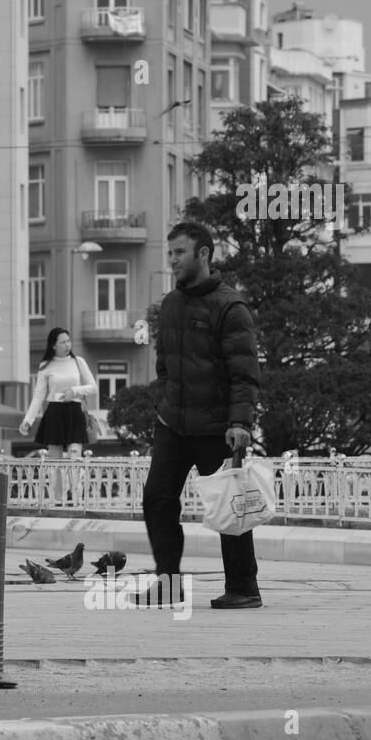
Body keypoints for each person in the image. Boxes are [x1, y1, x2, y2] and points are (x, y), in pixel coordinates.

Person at [138, 221, 262, 609]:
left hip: (217, 428)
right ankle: (168, 582)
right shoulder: (171, 306)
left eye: (180, 252)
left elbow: (244, 371)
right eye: (170, 252)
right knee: (157, 499)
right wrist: (162, 407)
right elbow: (164, 367)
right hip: (173, 424)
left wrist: (240, 423)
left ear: (203, 254)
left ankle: (244, 588)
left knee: (229, 506)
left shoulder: (230, 306)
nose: (172, 260)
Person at [20, 327, 98, 460]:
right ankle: (56, 482)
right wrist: (28, 420)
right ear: (53, 346)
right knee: (55, 462)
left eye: (68, 341)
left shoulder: (78, 362)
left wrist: (73, 391)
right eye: (63, 342)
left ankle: (75, 482)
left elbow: (93, 387)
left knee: (75, 456)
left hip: (74, 411)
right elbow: (39, 396)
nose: (67, 345)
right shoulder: (45, 365)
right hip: (54, 413)